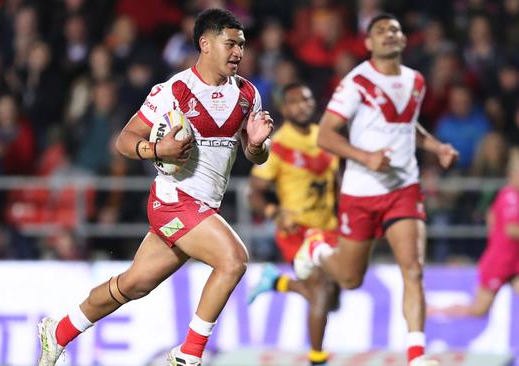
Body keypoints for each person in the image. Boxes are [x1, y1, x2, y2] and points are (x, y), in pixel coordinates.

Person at [37, 8, 274, 366]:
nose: (239, 52)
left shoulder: (247, 94)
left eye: (241, 45)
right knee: (234, 259)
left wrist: (256, 145)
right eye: (231, 44)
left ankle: (59, 332)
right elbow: (124, 140)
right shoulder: (175, 90)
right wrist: (156, 149)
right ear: (205, 44)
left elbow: (257, 157)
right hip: (174, 202)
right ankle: (188, 356)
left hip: (203, 208)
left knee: (134, 285)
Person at [293, 13, 459, 366]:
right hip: (361, 191)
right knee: (351, 279)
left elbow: (406, 126)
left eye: (395, 30)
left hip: (404, 187)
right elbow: (325, 134)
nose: (389, 34)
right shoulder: (356, 83)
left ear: (402, 40)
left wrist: (436, 148)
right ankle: (318, 249)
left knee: (413, 269)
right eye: (380, 31)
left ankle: (417, 356)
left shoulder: (416, 81)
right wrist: (365, 157)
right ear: (368, 43)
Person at [428, 155, 519, 366]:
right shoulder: (510, 197)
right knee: (478, 310)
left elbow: (492, 216)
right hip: (498, 264)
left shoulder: (515, 197)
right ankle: (431, 311)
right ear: (513, 175)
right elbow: (511, 229)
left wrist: (497, 237)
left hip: (514, 262)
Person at [247, 82, 340, 366]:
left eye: (307, 100)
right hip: (296, 231)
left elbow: (336, 183)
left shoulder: (325, 137)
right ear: (285, 108)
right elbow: (254, 193)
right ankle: (317, 359)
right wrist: (276, 213)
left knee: (332, 299)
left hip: (328, 227)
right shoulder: (277, 144)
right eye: (295, 102)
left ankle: (277, 281)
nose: (302, 106)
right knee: (320, 292)